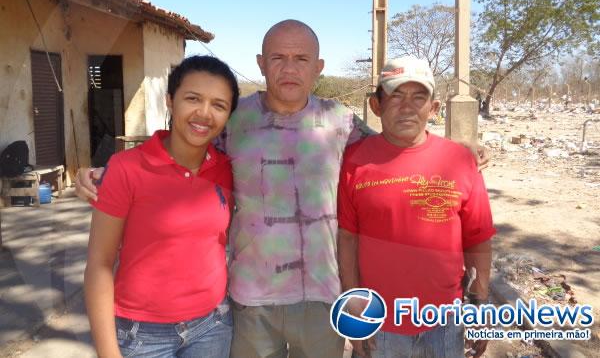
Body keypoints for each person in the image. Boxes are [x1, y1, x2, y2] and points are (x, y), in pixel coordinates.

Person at [77, 21, 488, 358]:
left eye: (301, 59)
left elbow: (394, 147)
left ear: (318, 67)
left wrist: (459, 151)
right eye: (278, 57)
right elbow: (183, 144)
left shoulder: (341, 122)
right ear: (261, 63)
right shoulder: (232, 121)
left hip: (322, 299)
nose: (289, 68)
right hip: (251, 300)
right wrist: (107, 170)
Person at [337, 56, 496, 358]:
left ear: (433, 109)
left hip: (446, 321)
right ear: (376, 106)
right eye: (396, 95)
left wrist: (481, 307)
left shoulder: (461, 161)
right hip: (379, 323)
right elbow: (347, 240)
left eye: (418, 97)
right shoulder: (355, 162)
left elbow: (477, 239)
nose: (407, 106)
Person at [84, 55, 239, 358]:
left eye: (219, 105)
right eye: (192, 98)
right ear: (170, 100)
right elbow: (99, 263)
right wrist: (107, 352)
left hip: (213, 326)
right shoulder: (127, 168)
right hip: (141, 336)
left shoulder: (228, 170)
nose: (204, 113)